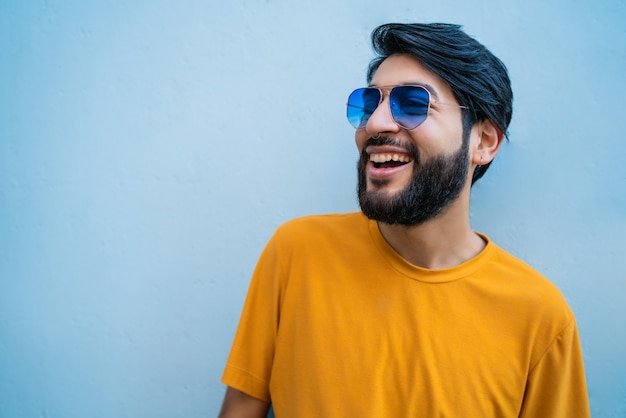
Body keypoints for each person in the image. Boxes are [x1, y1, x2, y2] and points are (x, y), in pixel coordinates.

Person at [218, 23, 590, 417]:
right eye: (368, 104)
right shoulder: (296, 253)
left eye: (413, 104)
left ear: (483, 142)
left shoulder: (540, 317)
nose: (375, 124)